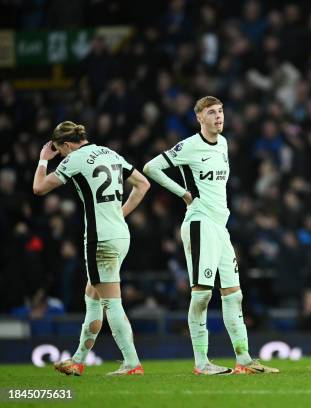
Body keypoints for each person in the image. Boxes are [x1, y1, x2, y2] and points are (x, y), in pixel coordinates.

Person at [144, 96, 279, 375]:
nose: (218, 117)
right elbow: (150, 168)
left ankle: (244, 360)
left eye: (220, 111)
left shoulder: (224, 143)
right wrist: (181, 192)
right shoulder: (190, 146)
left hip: (220, 227)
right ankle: (201, 362)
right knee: (202, 294)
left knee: (233, 295)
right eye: (211, 112)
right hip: (199, 222)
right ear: (199, 118)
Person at [32, 121, 150, 376]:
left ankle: (132, 362)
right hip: (121, 235)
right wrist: (121, 213)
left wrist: (43, 160)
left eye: (59, 150)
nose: (60, 155)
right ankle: (77, 360)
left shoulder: (74, 159)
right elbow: (143, 184)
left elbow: (38, 188)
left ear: (65, 145)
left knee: (111, 302)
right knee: (93, 295)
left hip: (101, 240)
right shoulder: (110, 153)